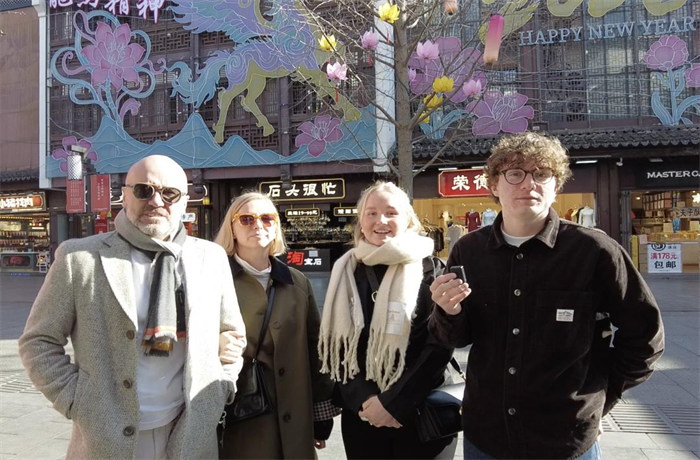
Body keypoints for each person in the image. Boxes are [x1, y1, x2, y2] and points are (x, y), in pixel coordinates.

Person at [429, 132, 665, 460]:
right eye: (515, 173)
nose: (529, 183)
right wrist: (447, 311)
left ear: (556, 186)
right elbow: (456, 337)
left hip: (566, 437)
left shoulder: (595, 250)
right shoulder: (468, 251)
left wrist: (601, 399)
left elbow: (645, 338)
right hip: (487, 435)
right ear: (494, 184)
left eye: (541, 174)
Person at [19, 155, 246, 460]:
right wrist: (76, 401)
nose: (156, 201)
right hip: (106, 437)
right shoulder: (80, 258)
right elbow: (38, 341)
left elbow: (232, 332)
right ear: (124, 196)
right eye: (144, 190)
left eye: (169, 193)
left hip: (189, 432)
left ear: (184, 201)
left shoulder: (211, 257)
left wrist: (221, 389)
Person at [319, 181, 457, 460]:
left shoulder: (432, 269)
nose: (380, 221)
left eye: (391, 213)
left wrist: (394, 403)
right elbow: (340, 347)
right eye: (371, 213)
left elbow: (440, 343)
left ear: (408, 219)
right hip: (363, 412)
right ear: (361, 221)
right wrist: (366, 400)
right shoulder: (346, 271)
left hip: (422, 410)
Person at [215, 192, 337, 460]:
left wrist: (321, 415)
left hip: (295, 415)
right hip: (240, 416)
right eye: (246, 219)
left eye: (267, 218)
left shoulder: (297, 282)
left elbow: (316, 350)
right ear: (232, 228)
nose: (258, 225)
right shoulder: (213, 279)